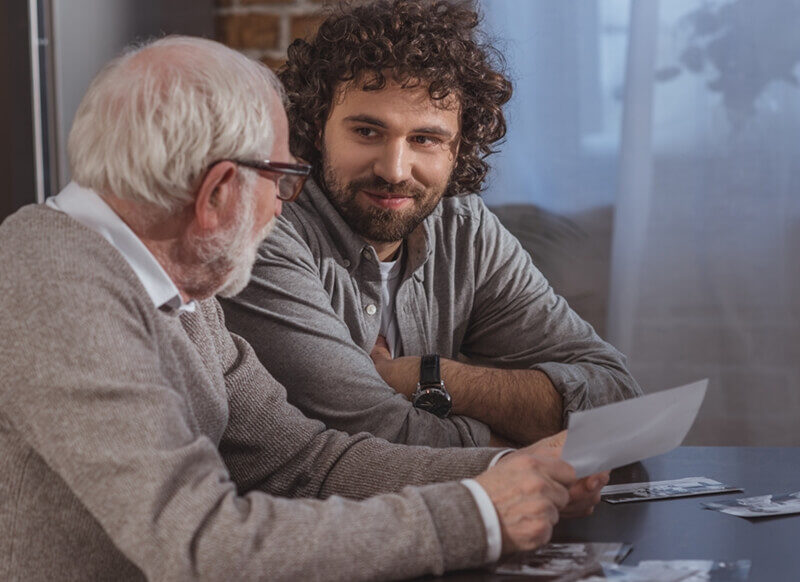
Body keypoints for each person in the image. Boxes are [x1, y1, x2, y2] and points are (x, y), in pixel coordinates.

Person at [0, 36, 608, 581]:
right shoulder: (56, 283)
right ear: (218, 193)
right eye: (285, 180)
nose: (279, 210)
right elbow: (202, 545)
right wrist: (477, 513)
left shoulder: (179, 288)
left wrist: (511, 469)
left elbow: (303, 461)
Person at [221, 0, 643, 448]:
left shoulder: (465, 229)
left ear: (458, 148)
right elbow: (378, 442)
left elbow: (619, 407)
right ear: (315, 127)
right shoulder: (267, 231)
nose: (395, 169)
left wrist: (432, 378)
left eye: (424, 139)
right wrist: (526, 443)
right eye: (367, 132)